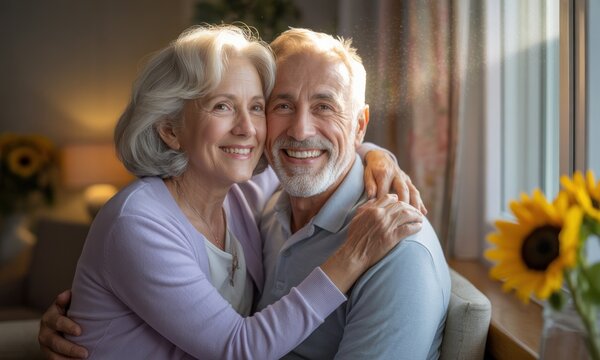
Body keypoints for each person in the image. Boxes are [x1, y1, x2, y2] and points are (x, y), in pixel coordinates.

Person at [37, 25, 425, 359]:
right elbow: (240, 350)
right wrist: (353, 255)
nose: (247, 128)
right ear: (171, 130)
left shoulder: (243, 196)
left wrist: (375, 155)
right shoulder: (137, 223)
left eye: (256, 107)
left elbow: (316, 151)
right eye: (222, 106)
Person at [254, 28, 451, 359]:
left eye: (324, 107)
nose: (300, 130)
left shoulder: (398, 252)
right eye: (283, 105)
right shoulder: (272, 206)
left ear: (359, 125)